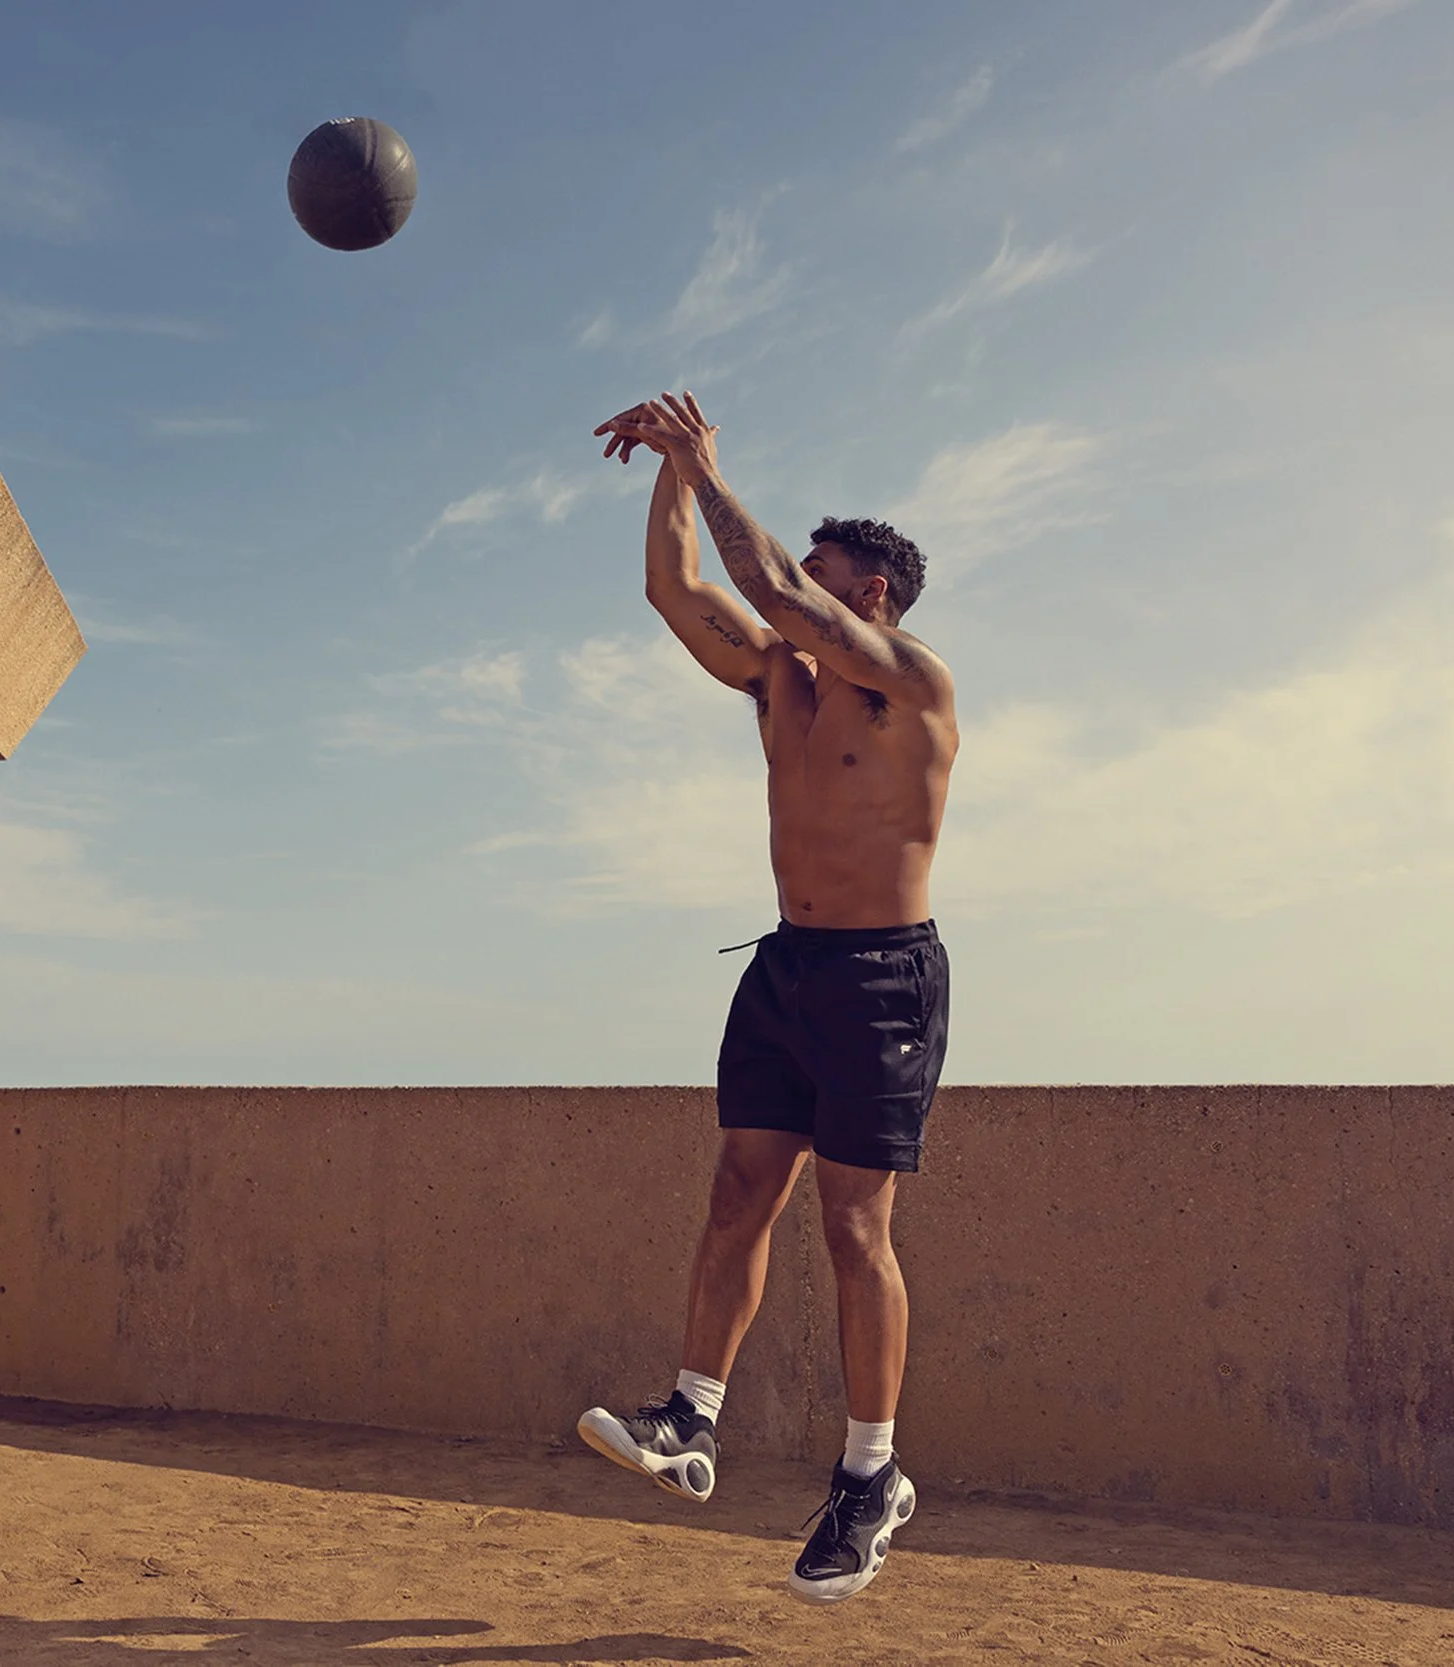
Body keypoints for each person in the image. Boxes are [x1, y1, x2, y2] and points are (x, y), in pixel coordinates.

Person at [577, 393, 958, 1605]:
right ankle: (692, 1415)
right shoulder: (778, 683)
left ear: (876, 595)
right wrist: (670, 481)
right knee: (739, 1189)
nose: (798, 592)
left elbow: (780, 589)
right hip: (786, 970)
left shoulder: (912, 685)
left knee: (854, 1229)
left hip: (881, 978)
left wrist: (706, 457)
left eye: (827, 572)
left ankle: (869, 1476)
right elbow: (676, 590)